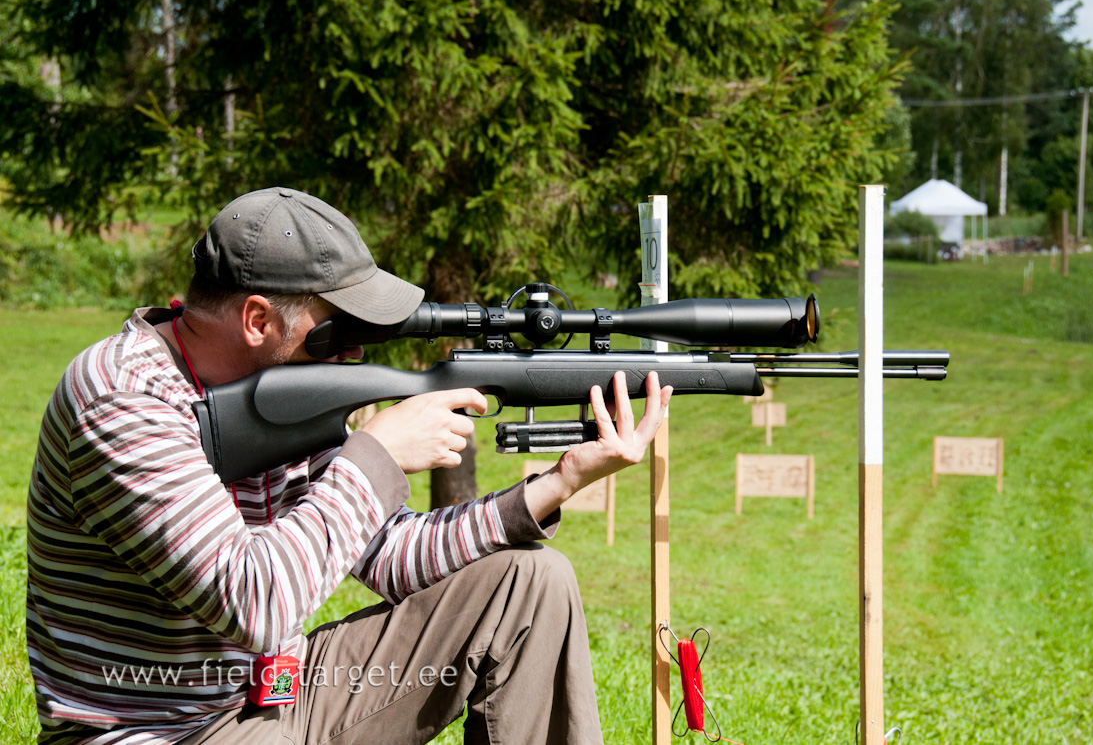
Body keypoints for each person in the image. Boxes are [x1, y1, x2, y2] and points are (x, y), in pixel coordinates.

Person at [26, 187, 672, 745]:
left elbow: (388, 553)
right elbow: (255, 604)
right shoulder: (123, 395)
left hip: (273, 699)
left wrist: (559, 483)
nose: (355, 350)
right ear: (256, 318)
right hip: (166, 730)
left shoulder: (276, 387)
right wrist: (377, 454)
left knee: (530, 579)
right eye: (338, 330)